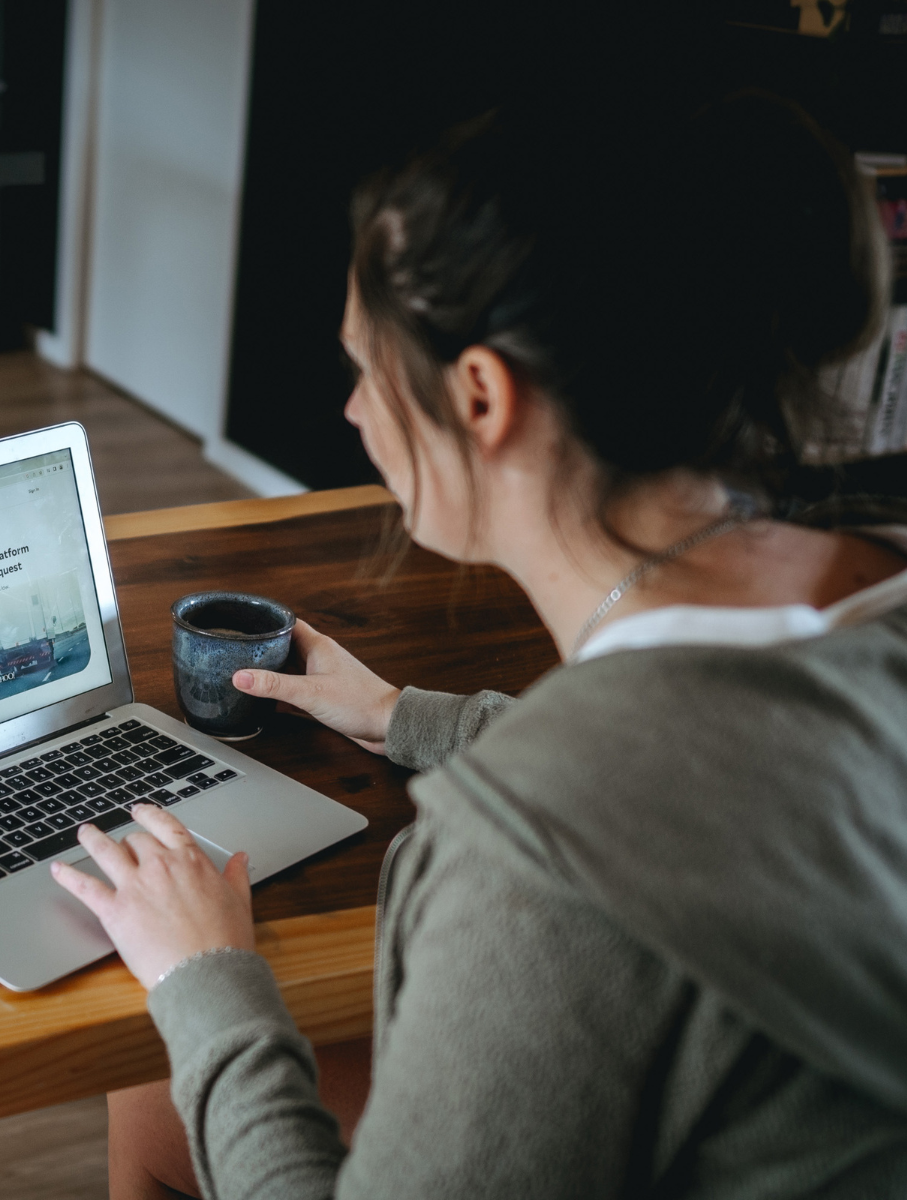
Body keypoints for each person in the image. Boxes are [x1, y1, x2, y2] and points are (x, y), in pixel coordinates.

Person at [51, 92, 907, 1198]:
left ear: (483, 393)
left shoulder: (534, 863)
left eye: (367, 368)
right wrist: (405, 714)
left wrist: (209, 977)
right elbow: (731, 783)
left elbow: (600, 829)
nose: (356, 411)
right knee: (155, 1103)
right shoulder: (870, 590)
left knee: (165, 1052)